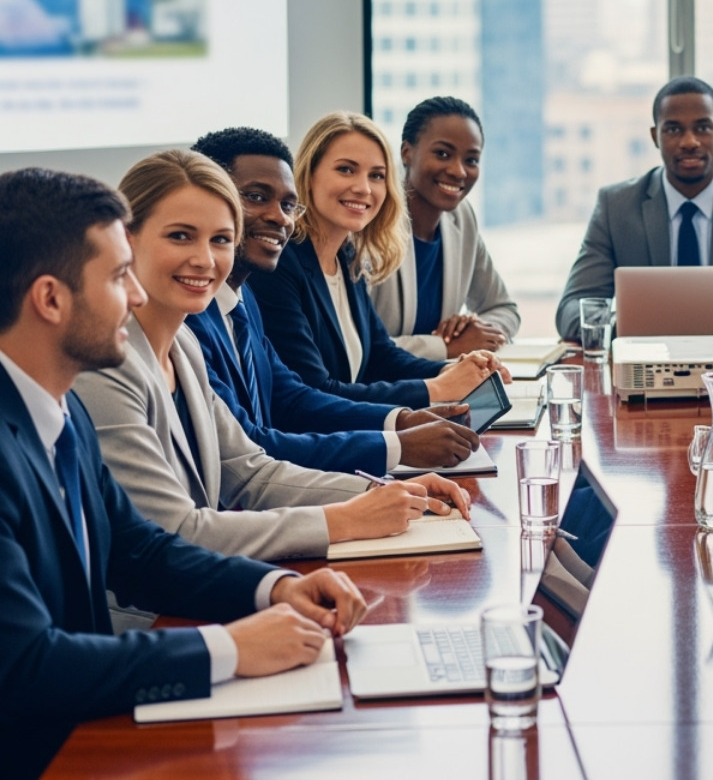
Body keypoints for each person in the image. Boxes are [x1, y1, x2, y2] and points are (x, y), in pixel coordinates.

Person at [0, 167, 367, 779]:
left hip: (89, 731)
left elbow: (140, 551)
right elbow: (27, 666)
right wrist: (228, 648)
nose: (137, 296)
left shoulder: (60, 412)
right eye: (119, 277)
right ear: (50, 298)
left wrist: (272, 589)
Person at [72, 151, 471, 585]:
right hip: (145, 619)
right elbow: (178, 531)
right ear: (127, 240)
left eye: (221, 240)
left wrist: (385, 493)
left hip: (207, 591)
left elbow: (249, 471)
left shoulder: (182, 345)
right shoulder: (108, 366)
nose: (206, 260)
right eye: (181, 236)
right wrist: (344, 520)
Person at [186, 127, 481, 474]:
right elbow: (253, 446)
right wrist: (398, 441)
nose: (279, 217)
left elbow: (292, 397)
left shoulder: (243, 298)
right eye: (255, 197)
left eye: (286, 204)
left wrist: (403, 419)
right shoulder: (200, 312)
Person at [247, 112, 503, 406]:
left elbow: (380, 357)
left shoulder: (346, 255)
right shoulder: (282, 264)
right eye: (346, 169)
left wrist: (455, 370)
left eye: (376, 176)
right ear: (309, 174)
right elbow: (315, 392)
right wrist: (438, 389)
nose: (363, 188)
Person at [554, 75, 713, 340]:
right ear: (654, 136)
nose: (689, 141)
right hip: (646, 370)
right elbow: (571, 311)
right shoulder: (616, 207)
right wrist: (634, 326)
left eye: (703, 128)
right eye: (673, 129)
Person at [369, 96, 521, 358]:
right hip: (380, 392)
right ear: (407, 152)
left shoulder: (461, 217)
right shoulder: (371, 221)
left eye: (471, 160)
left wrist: (476, 332)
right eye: (443, 154)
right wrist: (446, 346)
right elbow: (361, 346)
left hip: (441, 387)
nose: (459, 171)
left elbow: (504, 308)